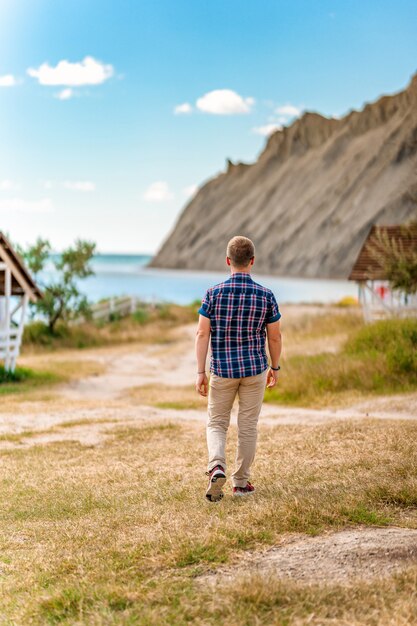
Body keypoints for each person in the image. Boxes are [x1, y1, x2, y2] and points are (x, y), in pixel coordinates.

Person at [195, 235, 282, 502]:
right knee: (247, 426)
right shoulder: (266, 295)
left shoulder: (213, 293)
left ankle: (217, 466)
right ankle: (241, 483)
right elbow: (275, 336)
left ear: (228, 261)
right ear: (252, 261)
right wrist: (275, 367)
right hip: (255, 369)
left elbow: (202, 334)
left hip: (222, 370)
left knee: (217, 423)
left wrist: (201, 372)